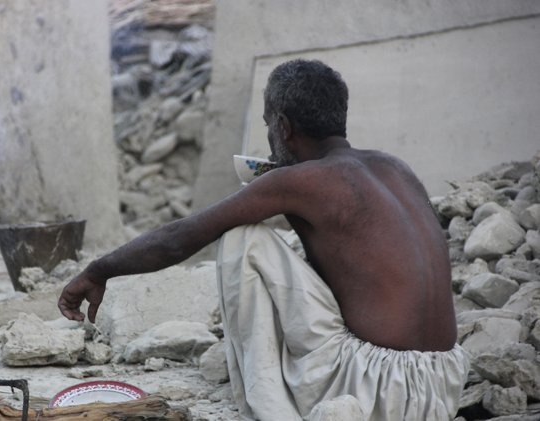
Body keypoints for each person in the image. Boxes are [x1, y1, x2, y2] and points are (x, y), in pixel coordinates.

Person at [58, 59, 469, 420]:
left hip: (372, 391)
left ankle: (271, 407)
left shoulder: (300, 181)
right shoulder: (395, 168)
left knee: (242, 237)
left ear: (284, 127)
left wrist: (99, 270)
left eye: (268, 124)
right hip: (441, 387)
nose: (269, 136)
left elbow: (178, 239)